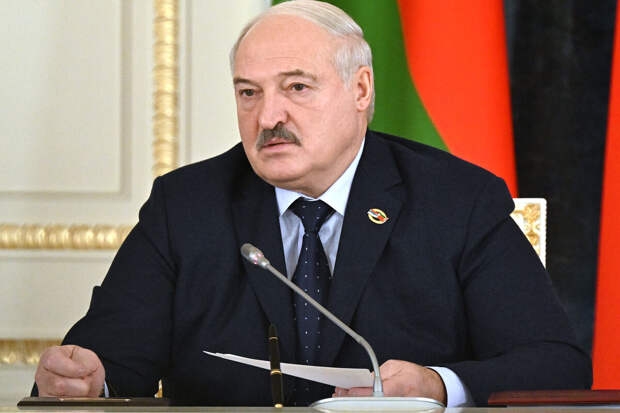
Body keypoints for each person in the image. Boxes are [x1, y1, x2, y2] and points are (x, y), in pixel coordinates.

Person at [33, 0, 592, 407]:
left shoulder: (456, 200)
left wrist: (439, 386)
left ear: (361, 90)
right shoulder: (185, 207)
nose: (268, 116)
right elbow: (108, 362)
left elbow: (555, 365)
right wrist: (84, 378)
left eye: (296, 87)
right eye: (248, 92)